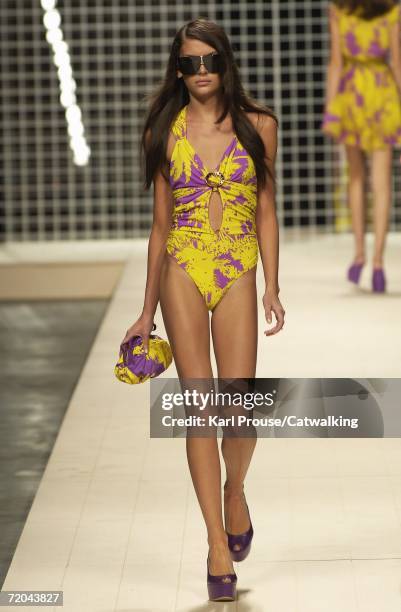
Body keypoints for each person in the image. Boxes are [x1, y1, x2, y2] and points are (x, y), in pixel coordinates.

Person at [122, 17, 285, 602]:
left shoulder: (259, 125)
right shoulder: (164, 129)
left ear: (225, 61)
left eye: (210, 61)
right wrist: (146, 312)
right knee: (201, 406)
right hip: (183, 266)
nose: (201, 73)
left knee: (239, 404)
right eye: (189, 64)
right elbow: (160, 224)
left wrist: (272, 283)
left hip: (237, 261)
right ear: (177, 69)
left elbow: (266, 208)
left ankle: (234, 491)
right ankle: (217, 542)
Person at [321, 0, 401, 293]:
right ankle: (378, 263)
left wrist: (331, 108)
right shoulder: (392, 11)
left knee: (356, 177)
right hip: (382, 94)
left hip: (352, 94)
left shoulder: (340, 11)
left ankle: (359, 255)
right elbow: (397, 63)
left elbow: (336, 63)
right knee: (381, 182)